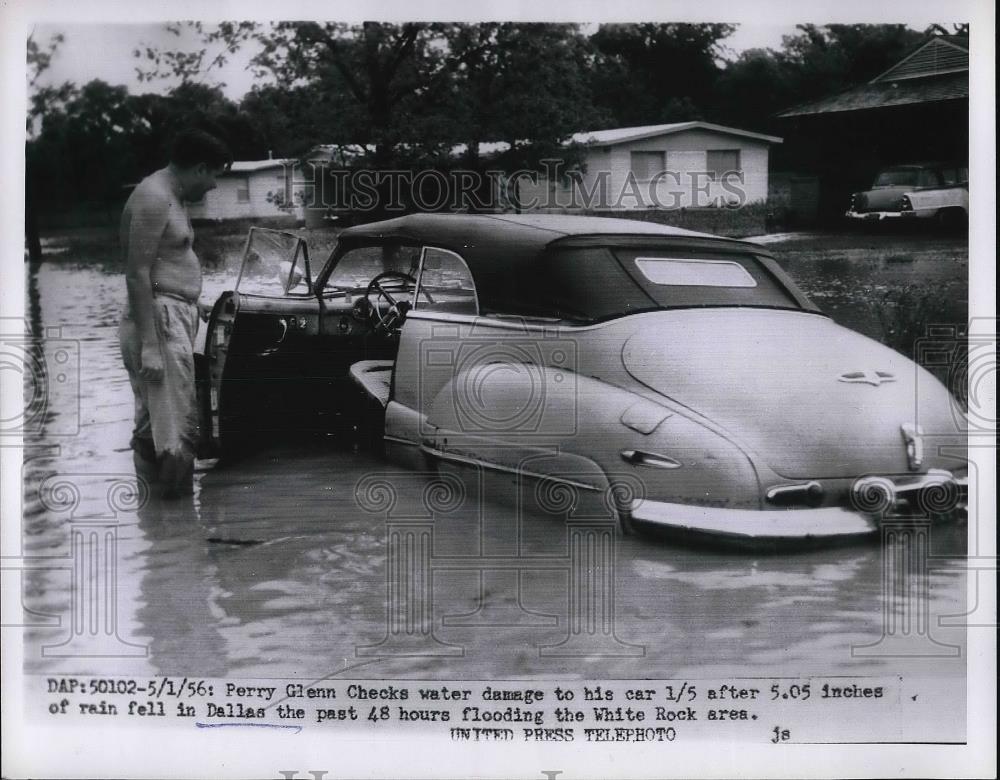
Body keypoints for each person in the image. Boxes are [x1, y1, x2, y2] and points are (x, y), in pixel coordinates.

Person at [118, 130, 231, 498]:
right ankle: (181, 530)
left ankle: (159, 535)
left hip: (166, 315)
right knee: (178, 433)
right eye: (214, 175)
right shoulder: (155, 198)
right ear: (199, 169)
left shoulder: (169, 196)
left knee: (153, 429)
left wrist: (192, 302)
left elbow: (166, 264)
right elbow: (137, 273)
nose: (214, 185)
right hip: (159, 323)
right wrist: (151, 345)